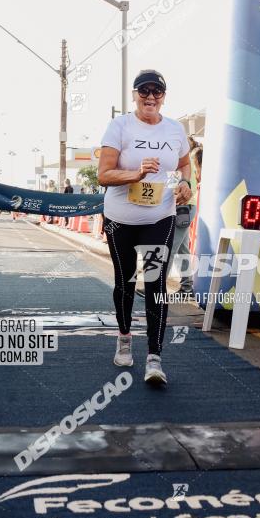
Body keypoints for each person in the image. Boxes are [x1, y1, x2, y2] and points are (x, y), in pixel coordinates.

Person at [98, 70, 191, 385]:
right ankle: (125, 337)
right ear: (135, 94)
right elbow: (104, 174)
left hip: (159, 218)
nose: (151, 97)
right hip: (120, 220)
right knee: (124, 284)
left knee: (156, 284)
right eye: (144, 91)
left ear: (164, 95)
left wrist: (187, 183)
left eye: (157, 92)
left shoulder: (175, 129)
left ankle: (155, 357)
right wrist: (135, 174)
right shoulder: (119, 126)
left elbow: (185, 164)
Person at [167, 138, 202, 296]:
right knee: (182, 249)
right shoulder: (184, 163)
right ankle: (187, 287)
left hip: (182, 208)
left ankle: (156, 287)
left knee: (170, 248)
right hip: (186, 207)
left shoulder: (180, 164)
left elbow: (172, 190)